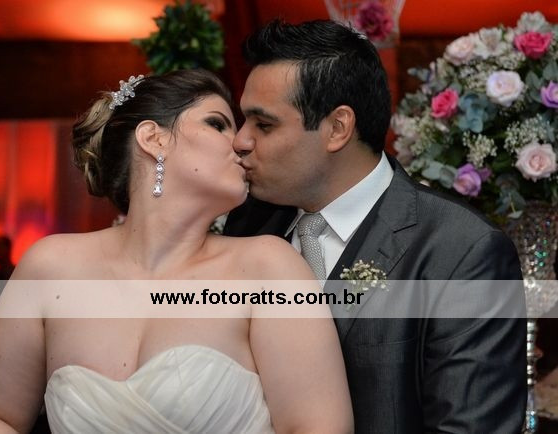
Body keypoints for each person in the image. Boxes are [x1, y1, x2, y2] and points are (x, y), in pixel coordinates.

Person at [0, 69, 353, 433]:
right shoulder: (50, 268)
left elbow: (319, 427)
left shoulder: (268, 268)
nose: (240, 143)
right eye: (217, 124)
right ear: (153, 138)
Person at [224, 19, 526, 433]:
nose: (240, 141)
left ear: (337, 128)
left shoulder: (462, 251)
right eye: (242, 122)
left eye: (264, 125)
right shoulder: (247, 225)